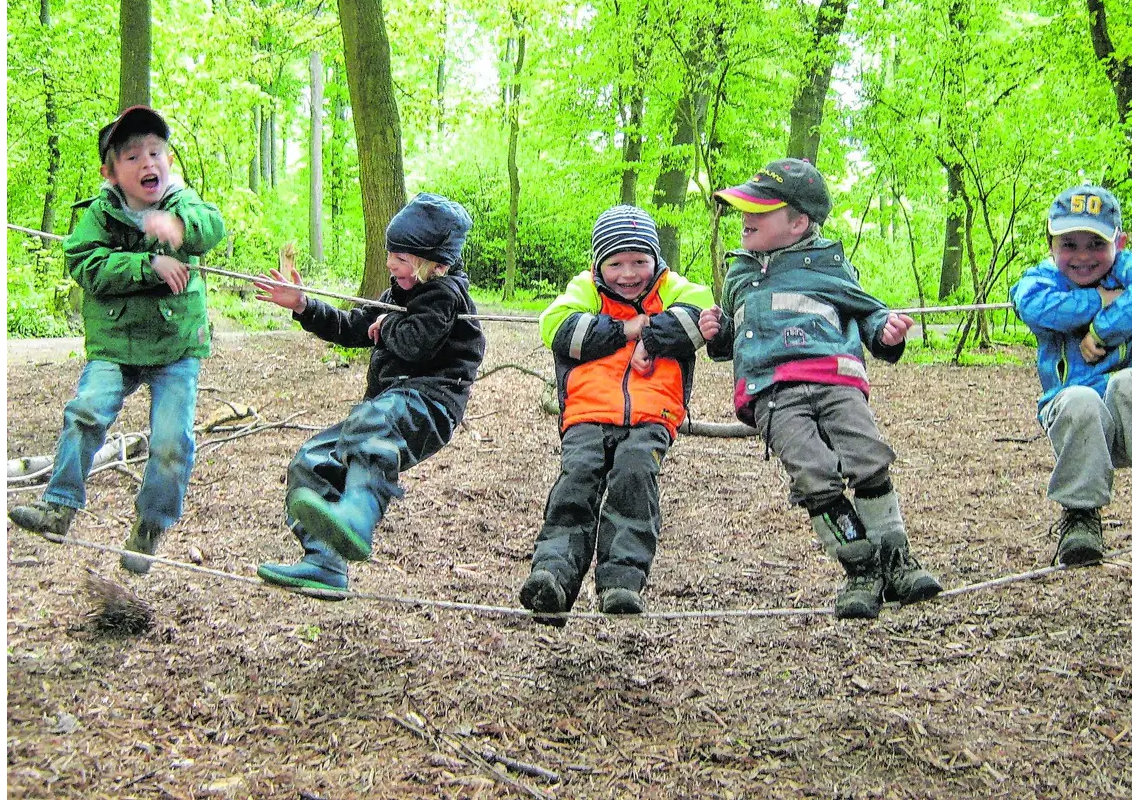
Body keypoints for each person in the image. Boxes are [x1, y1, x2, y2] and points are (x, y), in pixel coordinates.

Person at [699, 158, 942, 619]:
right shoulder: (738, 274)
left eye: (760, 209)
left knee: (867, 458)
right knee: (813, 476)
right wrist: (718, 332)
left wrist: (886, 331)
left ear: (798, 224)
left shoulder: (829, 264)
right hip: (772, 392)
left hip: (835, 380)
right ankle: (860, 569)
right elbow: (738, 335)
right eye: (745, 207)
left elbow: (870, 312)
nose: (746, 217)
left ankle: (897, 560)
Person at [9, 106, 226, 575]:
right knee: (86, 411)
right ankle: (59, 505)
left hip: (176, 346)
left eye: (155, 152)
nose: (148, 163)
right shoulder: (99, 215)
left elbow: (212, 229)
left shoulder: (182, 202)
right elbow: (86, 265)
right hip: (116, 343)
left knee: (171, 442)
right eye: (132, 156)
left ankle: (150, 527)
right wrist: (147, 266)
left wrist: (179, 229)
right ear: (110, 171)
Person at [254, 193, 485, 594]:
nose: (390, 263)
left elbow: (417, 343)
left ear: (437, 264)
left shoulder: (445, 293)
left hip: (429, 405)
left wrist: (387, 328)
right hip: (385, 409)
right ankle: (324, 562)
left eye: (401, 257)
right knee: (311, 460)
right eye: (390, 253)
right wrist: (305, 306)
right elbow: (351, 326)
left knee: (371, 421)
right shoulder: (398, 294)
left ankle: (358, 515)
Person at [518, 206, 714, 621]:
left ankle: (622, 583)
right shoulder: (585, 287)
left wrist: (654, 338)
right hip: (587, 412)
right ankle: (553, 578)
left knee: (634, 475)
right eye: (616, 263)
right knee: (577, 483)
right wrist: (630, 328)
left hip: (652, 413)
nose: (629, 274)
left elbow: (703, 317)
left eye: (639, 261)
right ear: (598, 263)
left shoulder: (673, 287)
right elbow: (557, 327)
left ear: (656, 261)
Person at [1009, 184, 1132, 565]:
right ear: (1051, 246)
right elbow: (1031, 303)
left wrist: (1103, 330)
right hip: (1076, 419)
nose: (1083, 256)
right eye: (1069, 245)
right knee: (1081, 399)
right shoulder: (1042, 281)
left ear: (1120, 241)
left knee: (1128, 381)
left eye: (1096, 244)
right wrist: (1100, 300)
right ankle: (1080, 516)